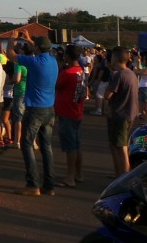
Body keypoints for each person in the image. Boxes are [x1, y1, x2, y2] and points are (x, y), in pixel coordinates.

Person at [6, 31, 59, 196]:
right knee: (46, 147)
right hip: (50, 108)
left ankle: (33, 183)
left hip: (35, 109)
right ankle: (49, 185)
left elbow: (10, 54)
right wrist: (30, 40)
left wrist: (12, 39)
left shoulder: (34, 62)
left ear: (36, 48)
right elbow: (40, 49)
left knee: (27, 144)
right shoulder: (52, 60)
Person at [103, 46, 140, 177]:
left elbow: (107, 95)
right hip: (129, 113)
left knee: (121, 146)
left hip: (120, 114)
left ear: (115, 58)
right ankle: (118, 173)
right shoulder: (131, 73)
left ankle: (124, 176)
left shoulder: (119, 75)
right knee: (115, 145)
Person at [54, 45, 85, 187]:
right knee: (76, 145)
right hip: (76, 111)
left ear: (67, 56)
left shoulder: (67, 73)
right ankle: (78, 174)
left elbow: (57, 85)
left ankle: (70, 177)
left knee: (70, 147)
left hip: (67, 112)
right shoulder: (80, 71)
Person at [134, 52, 147, 124]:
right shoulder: (146, 68)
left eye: (145, 59)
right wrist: (138, 62)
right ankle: (145, 121)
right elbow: (139, 69)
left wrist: (135, 63)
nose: (144, 60)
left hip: (146, 89)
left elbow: (136, 71)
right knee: (142, 108)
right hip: (142, 88)